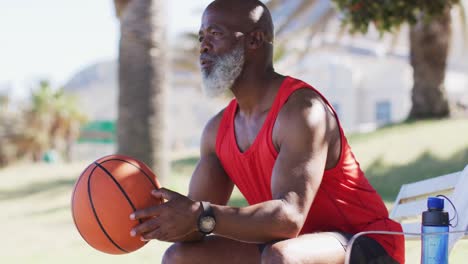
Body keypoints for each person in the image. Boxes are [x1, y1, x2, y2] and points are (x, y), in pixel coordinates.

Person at [129, 0, 405, 263]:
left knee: (282, 257)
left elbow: (289, 217)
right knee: (180, 258)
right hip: (288, 247)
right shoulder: (216, 131)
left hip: (367, 243)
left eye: (215, 33)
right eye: (201, 37)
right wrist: (159, 219)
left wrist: (200, 215)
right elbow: (195, 227)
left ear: (254, 40)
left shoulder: (302, 111)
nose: (204, 47)